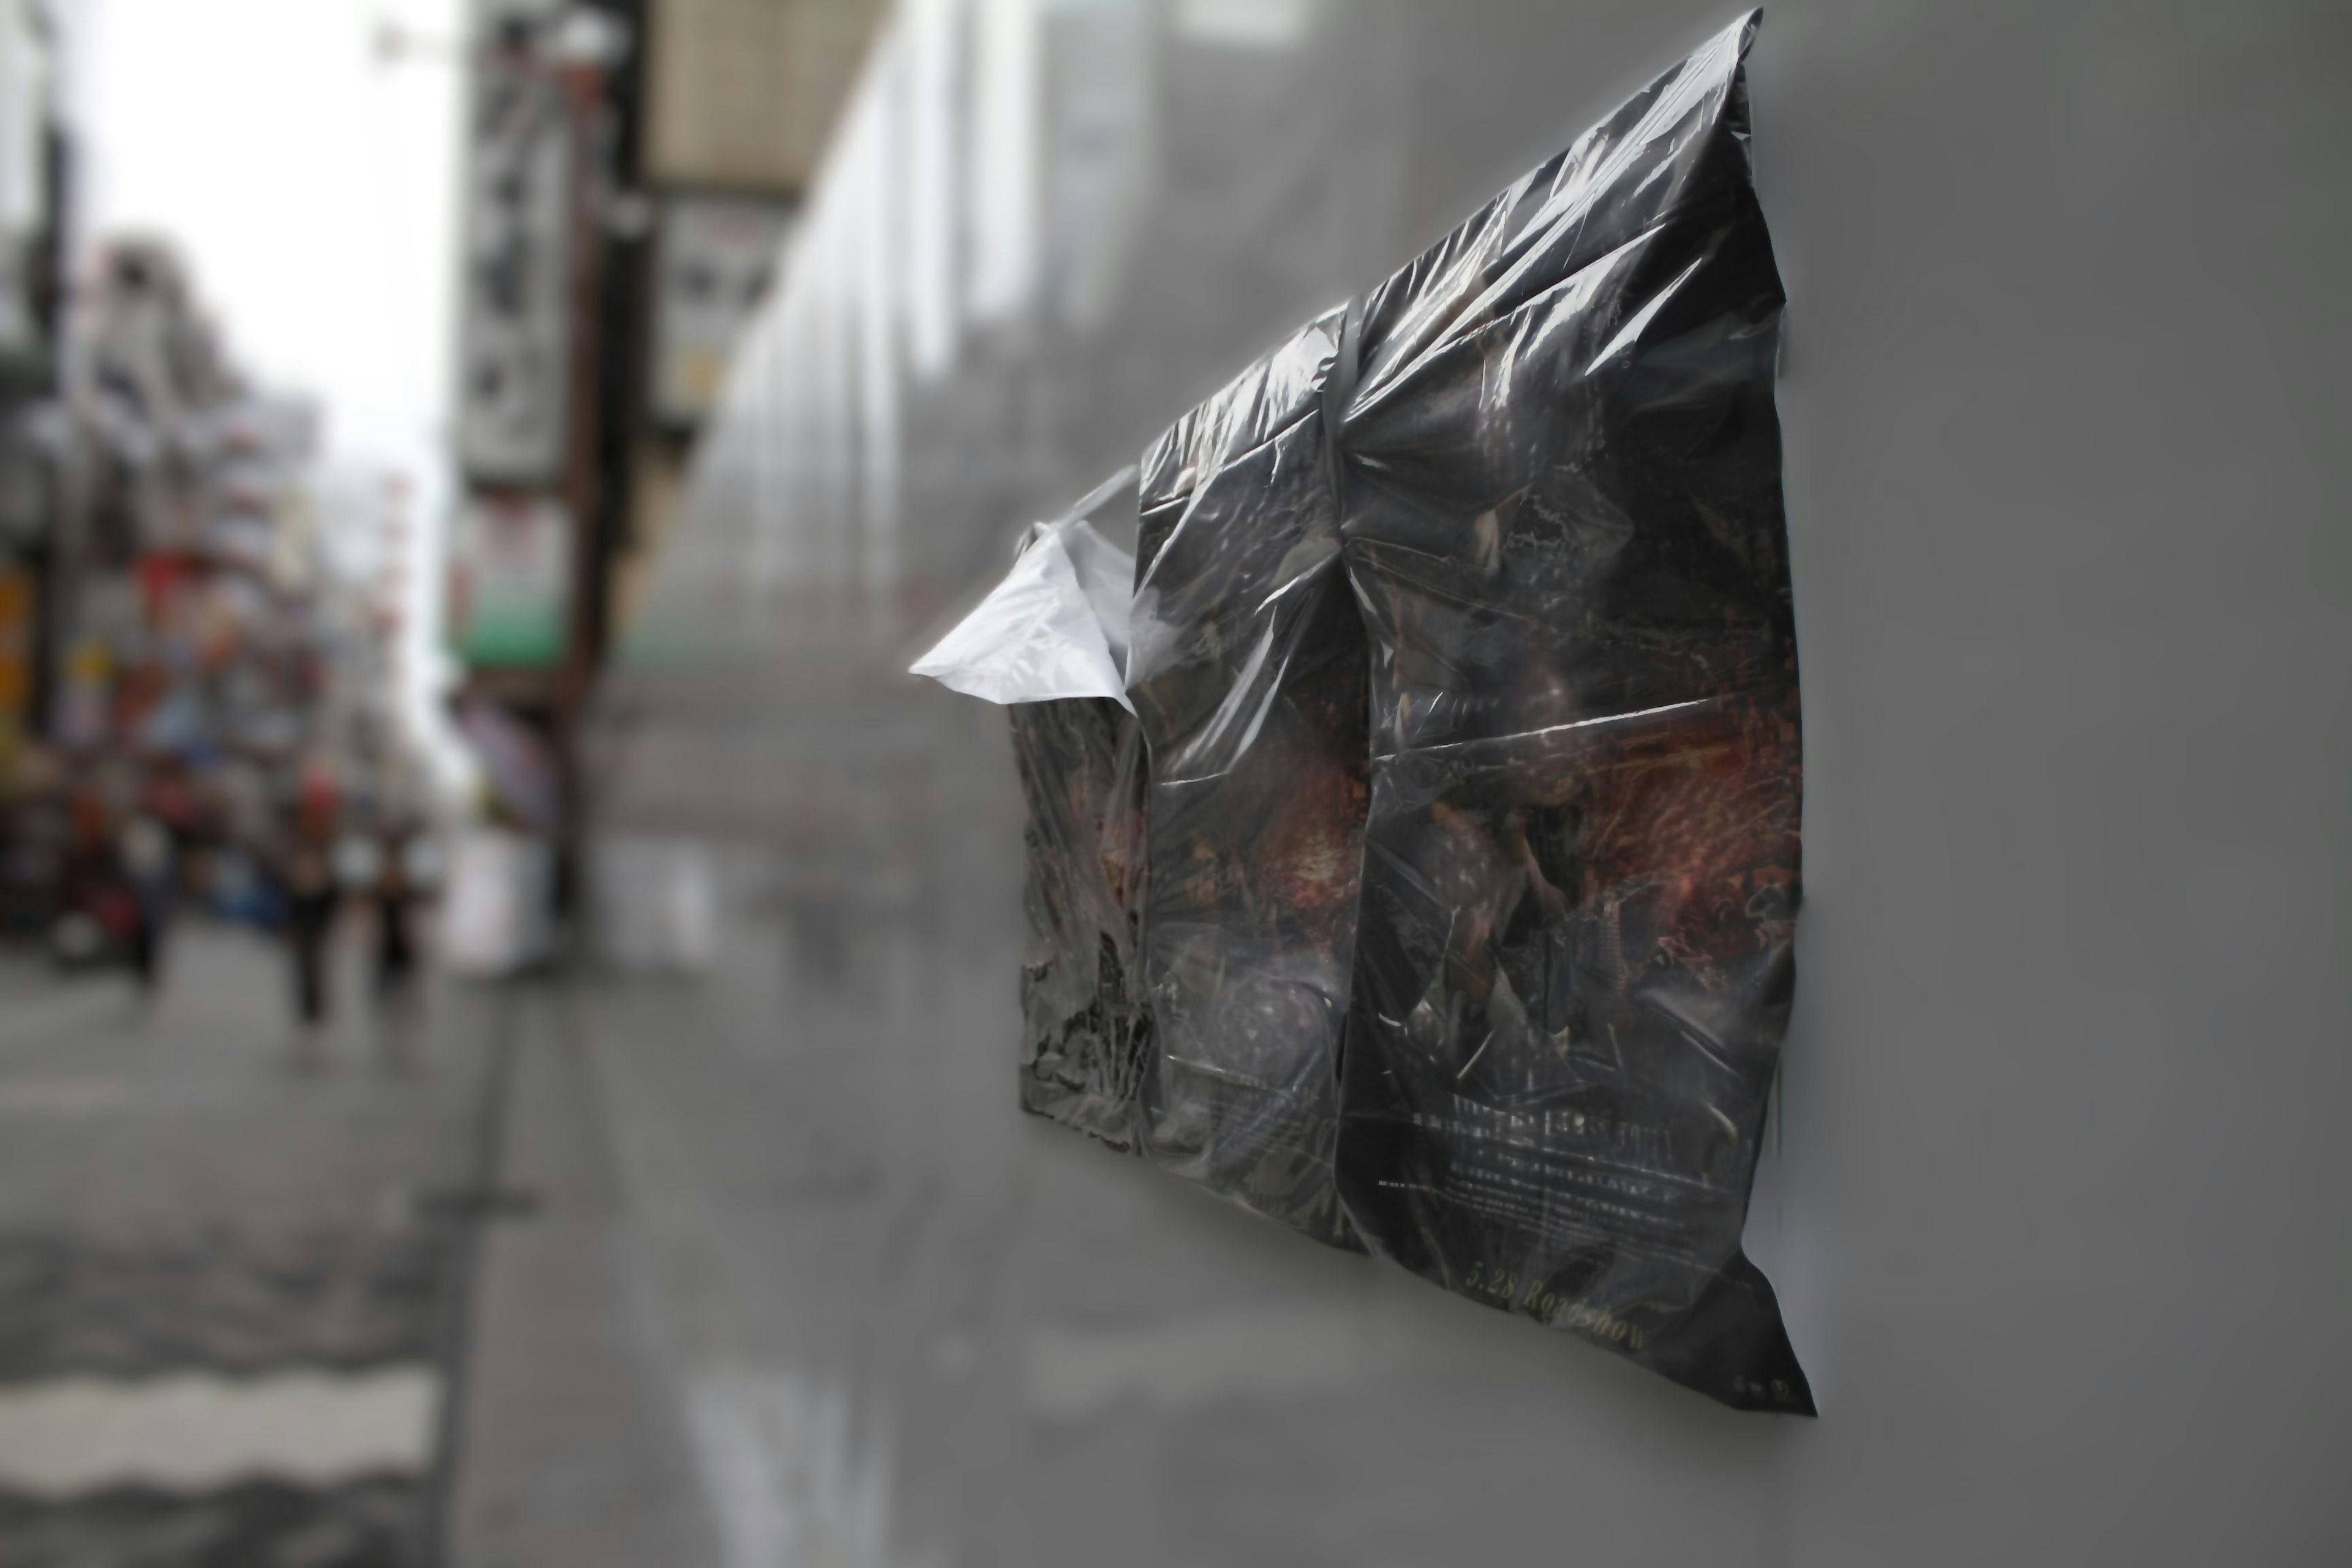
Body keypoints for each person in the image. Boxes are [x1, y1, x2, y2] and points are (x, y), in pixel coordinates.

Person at [282, 834, 339, 1068]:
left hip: (317, 939)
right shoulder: (295, 886)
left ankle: (318, 1033)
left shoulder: (327, 889)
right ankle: (305, 1032)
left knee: (318, 984)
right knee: (302, 984)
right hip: (303, 940)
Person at [118, 810, 175, 1009]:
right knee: (139, 944)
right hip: (137, 903)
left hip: (153, 903)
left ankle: (150, 980)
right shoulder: (131, 835)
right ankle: (142, 979)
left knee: (152, 942)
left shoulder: (157, 836)